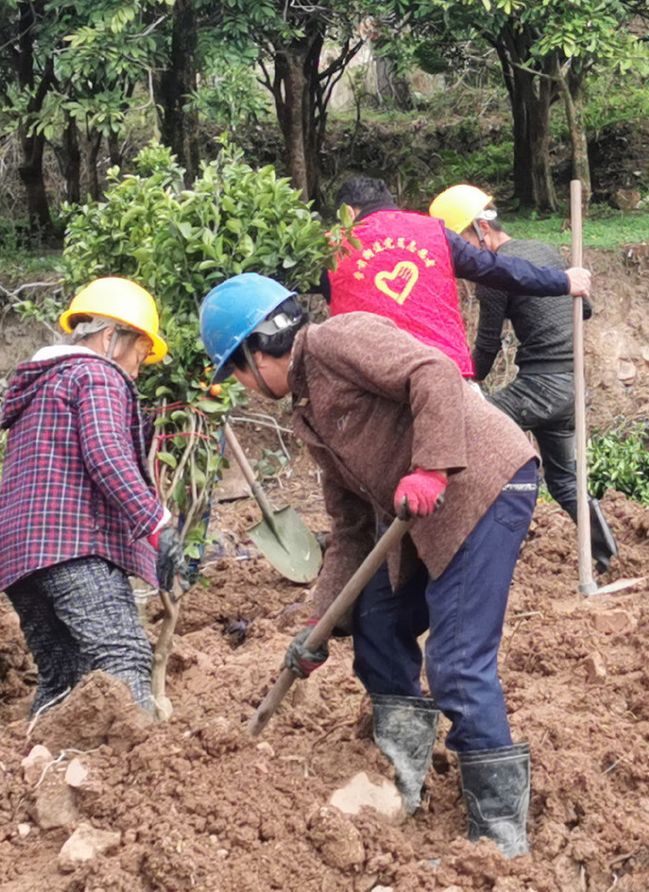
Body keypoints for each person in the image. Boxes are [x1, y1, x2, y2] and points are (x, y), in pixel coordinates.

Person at [200, 273, 540, 858]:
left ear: (260, 350)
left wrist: (431, 467)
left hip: (484, 485)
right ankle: (403, 780)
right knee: (376, 624)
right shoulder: (307, 414)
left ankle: (500, 841)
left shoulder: (338, 340)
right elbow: (352, 529)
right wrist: (319, 622)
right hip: (420, 511)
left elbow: (432, 372)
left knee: (457, 662)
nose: (242, 385)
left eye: (235, 369)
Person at [0, 278, 182, 718]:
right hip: (71, 546)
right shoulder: (97, 374)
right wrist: (158, 523)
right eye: (139, 354)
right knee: (125, 658)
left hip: (17, 554)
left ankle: (39, 765)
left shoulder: (43, 385)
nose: (137, 369)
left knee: (63, 675)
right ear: (112, 336)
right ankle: (138, 772)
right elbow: (106, 454)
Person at [430, 185, 617, 575]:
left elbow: (486, 348)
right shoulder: (546, 252)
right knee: (565, 483)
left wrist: (460, 385)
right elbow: (585, 309)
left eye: (462, 241)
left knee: (467, 431)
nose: (463, 255)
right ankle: (607, 555)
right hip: (571, 389)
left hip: (540, 389)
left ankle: (454, 542)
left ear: (482, 229)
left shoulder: (494, 276)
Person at [310, 176, 591, 378]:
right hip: (442, 371)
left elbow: (286, 281)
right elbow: (497, 269)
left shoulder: (330, 246)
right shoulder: (435, 232)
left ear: (347, 213)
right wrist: (563, 281)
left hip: (369, 376)